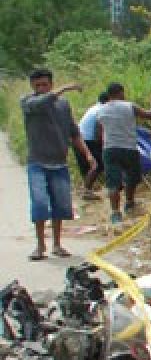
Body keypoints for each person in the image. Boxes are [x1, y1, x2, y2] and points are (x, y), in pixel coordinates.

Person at [20, 68, 96, 260]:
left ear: (51, 84)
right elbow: (42, 101)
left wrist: (87, 154)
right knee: (39, 203)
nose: (42, 88)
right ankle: (40, 246)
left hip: (59, 163)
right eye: (37, 85)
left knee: (61, 205)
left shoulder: (62, 106)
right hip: (37, 162)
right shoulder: (28, 103)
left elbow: (73, 132)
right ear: (32, 87)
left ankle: (57, 244)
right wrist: (66, 88)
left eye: (45, 84)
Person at [95, 82, 151, 224]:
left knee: (113, 183)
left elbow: (98, 134)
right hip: (129, 148)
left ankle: (116, 213)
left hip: (110, 149)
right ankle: (129, 203)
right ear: (120, 93)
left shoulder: (101, 110)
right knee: (132, 177)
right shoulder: (129, 106)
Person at [75, 86, 109, 198]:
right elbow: (98, 132)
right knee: (98, 164)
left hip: (79, 139)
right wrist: (103, 145)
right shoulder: (102, 110)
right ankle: (87, 191)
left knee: (89, 166)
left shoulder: (94, 107)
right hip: (88, 140)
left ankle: (87, 189)